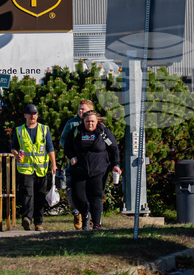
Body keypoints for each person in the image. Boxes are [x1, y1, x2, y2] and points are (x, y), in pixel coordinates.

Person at [65, 110, 121, 231]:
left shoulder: (103, 133)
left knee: (96, 197)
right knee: (78, 197)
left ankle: (96, 224)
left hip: (99, 169)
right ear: (83, 121)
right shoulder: (76, 132)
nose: (90, 124)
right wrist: (72, 156)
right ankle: (85, 214)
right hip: (79, 169)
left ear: (97, 121)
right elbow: (67, 147)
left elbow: (114, 148)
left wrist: (116, 164)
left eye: (92, 121)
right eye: (87, 121)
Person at [11, 104, 57, 232]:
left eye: (35, 114)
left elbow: (50, 148)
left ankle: (39, 223)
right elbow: (13, 147)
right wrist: (16, 155)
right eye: (30, 114)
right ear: (25, 115)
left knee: (40, 196)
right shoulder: (19, 130)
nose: (33, 116)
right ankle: (27, 219)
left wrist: (54, 164)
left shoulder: (44, 129)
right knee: (27, 195)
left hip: (41, 169)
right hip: (26, 169)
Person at [60, 99, 95, 230]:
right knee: (71, 190)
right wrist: (71, 151)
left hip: (90, 164)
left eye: (83, 109)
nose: (80, 111)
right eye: (79, 109)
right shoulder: (71, 123)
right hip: (74, 164)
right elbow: (63, 139)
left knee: (91, 191)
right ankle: (76, 213)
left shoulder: (95, 124)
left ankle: (91, 216)